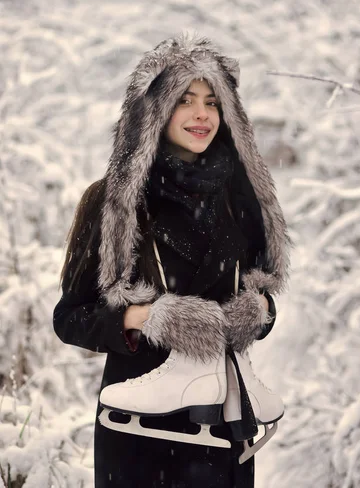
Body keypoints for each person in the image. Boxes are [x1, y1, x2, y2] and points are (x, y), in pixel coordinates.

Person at [53, 33, 292, 488]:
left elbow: (261, 292)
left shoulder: (242, 200)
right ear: (155, 112)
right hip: (140, 428)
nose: (202, 115)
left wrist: (259, 312)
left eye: (212, 102)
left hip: (223, 427)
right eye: (185, 100)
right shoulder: (112, 202)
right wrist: (148, 317)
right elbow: (70, 317)